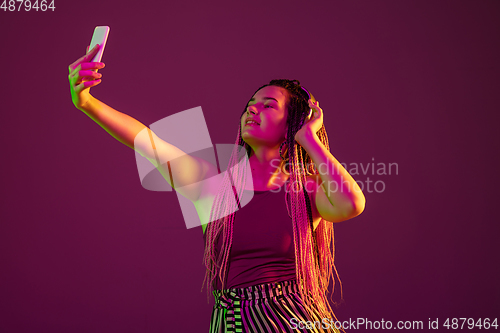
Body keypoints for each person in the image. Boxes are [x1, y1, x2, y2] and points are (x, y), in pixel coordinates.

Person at [68, 45, 366, 333]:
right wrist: (86, 101)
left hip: (294, 317)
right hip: (233, 321)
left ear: (293, 122)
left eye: (268, 106)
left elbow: (351, 204)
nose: (253, 110)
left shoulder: (307, 189)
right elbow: (147, 140)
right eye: (250, 105)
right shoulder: (211, 184)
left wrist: (310, 142)